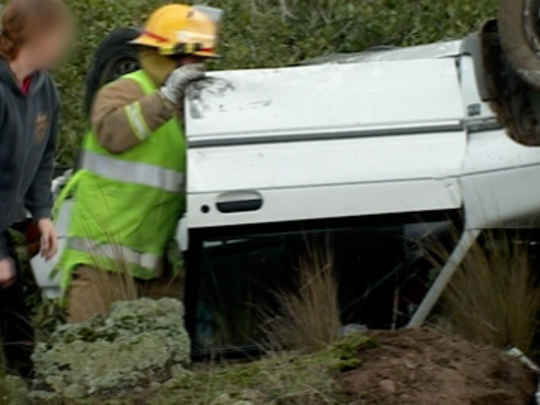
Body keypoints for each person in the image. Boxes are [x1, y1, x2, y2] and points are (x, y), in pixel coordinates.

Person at [58, 4, 221, 322]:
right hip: (101, 264)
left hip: (154, 269)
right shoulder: (126, 90)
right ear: (166, 55)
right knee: (93, 361)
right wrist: (166, 97)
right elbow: (112, 133)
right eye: (192, 58)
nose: (197, 66)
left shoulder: (181, 112)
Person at [0, 0, 72, 377]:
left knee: (14, 300)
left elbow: (44, 158)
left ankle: (25, 379)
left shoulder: (45, 92)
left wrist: (42, 214)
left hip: (7, 216)